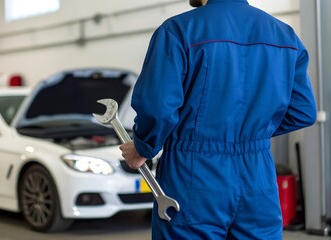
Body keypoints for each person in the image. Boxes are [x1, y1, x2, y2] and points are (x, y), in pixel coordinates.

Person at [119, 0, 317, 239]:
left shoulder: (179, 31)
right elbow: (303, 112)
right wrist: (253, 132)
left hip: (194, 174)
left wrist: (143, 146)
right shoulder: (285, 36)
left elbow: (158, 106)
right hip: (258, 178)